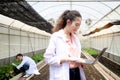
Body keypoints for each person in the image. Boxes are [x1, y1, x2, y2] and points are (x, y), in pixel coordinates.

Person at [44, 10, 86, 80]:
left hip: (76, 71)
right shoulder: (56, 37)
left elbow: (75, 56)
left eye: (79, 25)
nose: (77, 28)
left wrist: (79, 61)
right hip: (64, 74)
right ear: (68, 22)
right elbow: (48, 58)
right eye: (76, 24)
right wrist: (67, 59)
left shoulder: (75, 38)